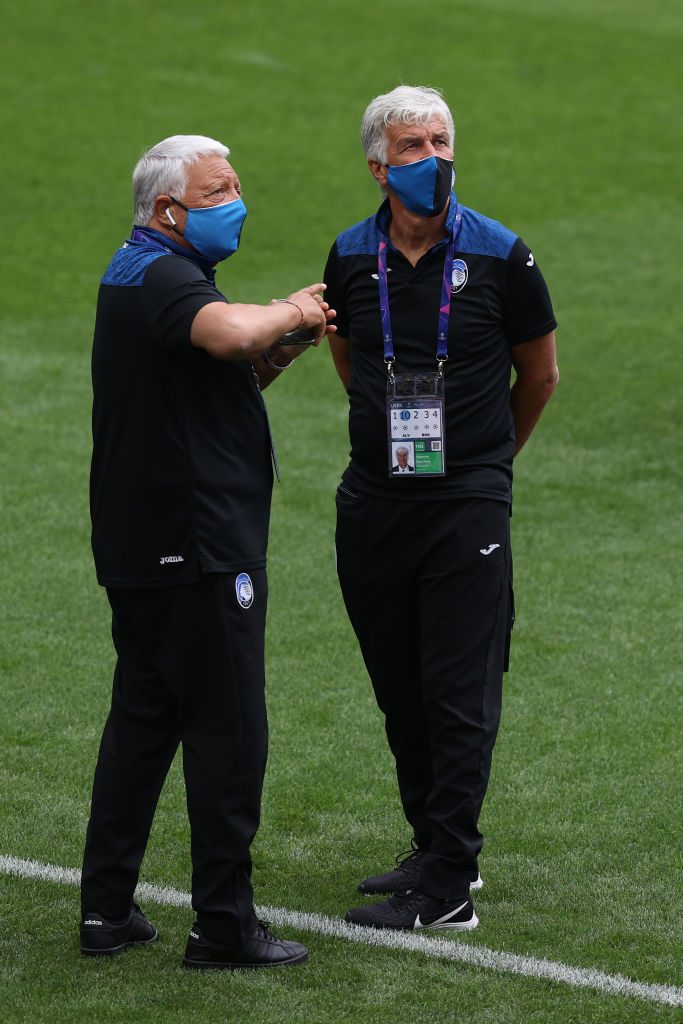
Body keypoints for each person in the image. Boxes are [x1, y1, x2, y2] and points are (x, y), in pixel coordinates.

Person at [81, 134, 334, 969]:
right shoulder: (161, 275)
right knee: (229, 735)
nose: (236, 202)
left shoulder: (137, 272)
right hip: (196, 549)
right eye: (218, 190)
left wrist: (283, 344)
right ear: (167, 210)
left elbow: (221, 376)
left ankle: (106, 912)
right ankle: (223, 925)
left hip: (141, 546)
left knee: (143, 724)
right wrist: (293, 312)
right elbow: (228, 336)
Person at [324, 86, 558, 931]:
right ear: (379, 166)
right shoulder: (350, 256)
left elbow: (539, 376)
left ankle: (451, 885)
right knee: (401, 689)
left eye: (441, 140)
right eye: (413, 145)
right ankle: (432, 841)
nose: (433, 158)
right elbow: (350, 353)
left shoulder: (501, 255)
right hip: (375, 502)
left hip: (465, 507)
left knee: (459, 693)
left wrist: (486, 465)